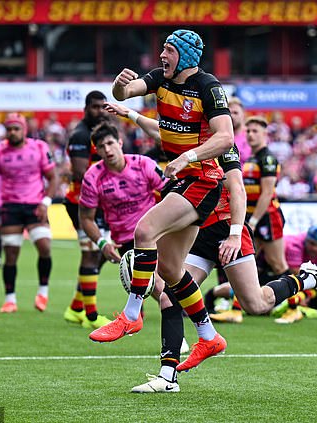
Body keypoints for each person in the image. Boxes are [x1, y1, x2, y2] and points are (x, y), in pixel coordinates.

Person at [111, 102, 317, 391]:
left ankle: (307, 278)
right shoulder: (188, 138)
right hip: (200, 232)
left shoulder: (225, 147)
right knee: (169, 297)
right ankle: (167, 377)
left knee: (255, 304)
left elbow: (238, 190)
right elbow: (159, 131)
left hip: (227, 229)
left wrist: (235, 235)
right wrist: (130, 115)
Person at [90, 30, 236, 361]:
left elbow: (225, 137)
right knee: (170, 269)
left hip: (202, 178)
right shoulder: (160, 79)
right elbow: (125, 92)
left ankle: (130, 314)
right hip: (181, 180)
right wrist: (118, 86)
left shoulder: (208, 87)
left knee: (144, 231)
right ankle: (208, 336)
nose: (161, 55)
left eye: (168, 50)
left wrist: (188, 156)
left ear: (184, 56)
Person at [78, 121, 167, 329]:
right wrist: (102, 243)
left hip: (158, 231)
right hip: (129, 240)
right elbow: (86, 218)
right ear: (96, 150)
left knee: (172, 281)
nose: (107, 150)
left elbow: (170, 192)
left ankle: (143, 313)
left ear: (120, 142)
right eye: (101, 146)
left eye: (110, 143)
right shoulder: (92, 177)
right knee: (158, 288)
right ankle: (179, 331)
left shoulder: (144, 164)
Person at [0, 113, 59, 313]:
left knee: (45, 247)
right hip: (10, 207)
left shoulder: (39, 147)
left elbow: (53, 178)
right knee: (11, 254)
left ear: (24, 130)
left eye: (16, 128)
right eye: (9, 129)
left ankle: (43, 293)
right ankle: (10, 299)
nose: (12, 132)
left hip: (35, 206)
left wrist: (46, 202)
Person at [62, 91, 112, 327]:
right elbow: (81, 173)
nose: (100, 111)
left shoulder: (101, 133)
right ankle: (90, 315)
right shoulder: (81, 135)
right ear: (85, 109)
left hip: (99, 203)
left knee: (100, 254)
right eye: (95, 107)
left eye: (103, 107)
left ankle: (76, 307)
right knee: (91, 253)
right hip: (80, 203)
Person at [243, 116, 289, 280]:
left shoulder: (267, 159)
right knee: (244, 263)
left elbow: (267, 193)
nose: (250, 134)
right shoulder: (250, 159)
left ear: (264, 134)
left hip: (268, 216)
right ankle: (237, 304)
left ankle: (295, 303)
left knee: (277, 264)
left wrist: (253, 222)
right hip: (252, 216)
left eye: (255, 131)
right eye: (248, 131)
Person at [228, 96, 250, 166]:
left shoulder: (251, 135)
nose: (232, 116)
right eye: (229, 113)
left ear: (243, 114)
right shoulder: (222, 136)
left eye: (235, 113)